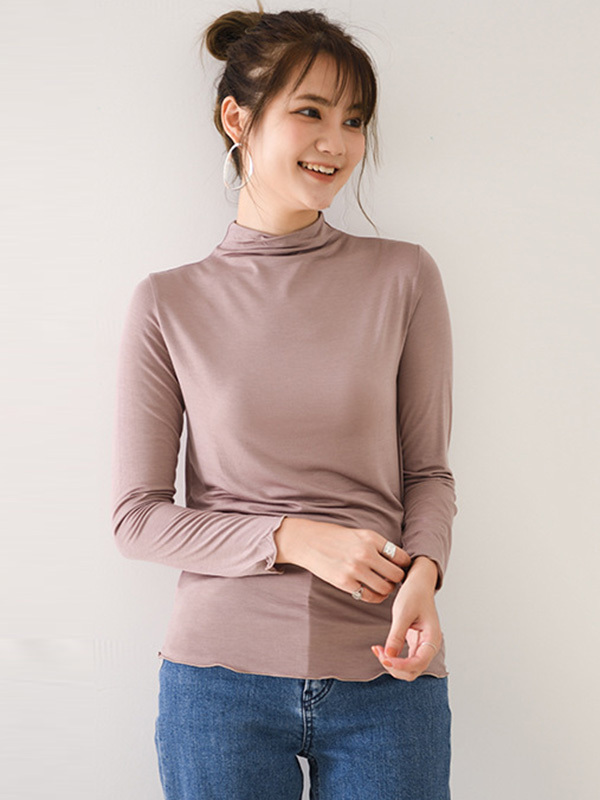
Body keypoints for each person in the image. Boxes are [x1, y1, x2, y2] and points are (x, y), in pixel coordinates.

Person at [111, 4, 457, 798]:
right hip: (218, 686)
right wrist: (293, 538)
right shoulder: (168, 303)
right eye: (311, 112)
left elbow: (428, 473)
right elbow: (136, 519)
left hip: (387, 675)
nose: (337, 142)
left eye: (354, 120)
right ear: (238, 120)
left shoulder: (404, 277)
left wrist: (425, 578)